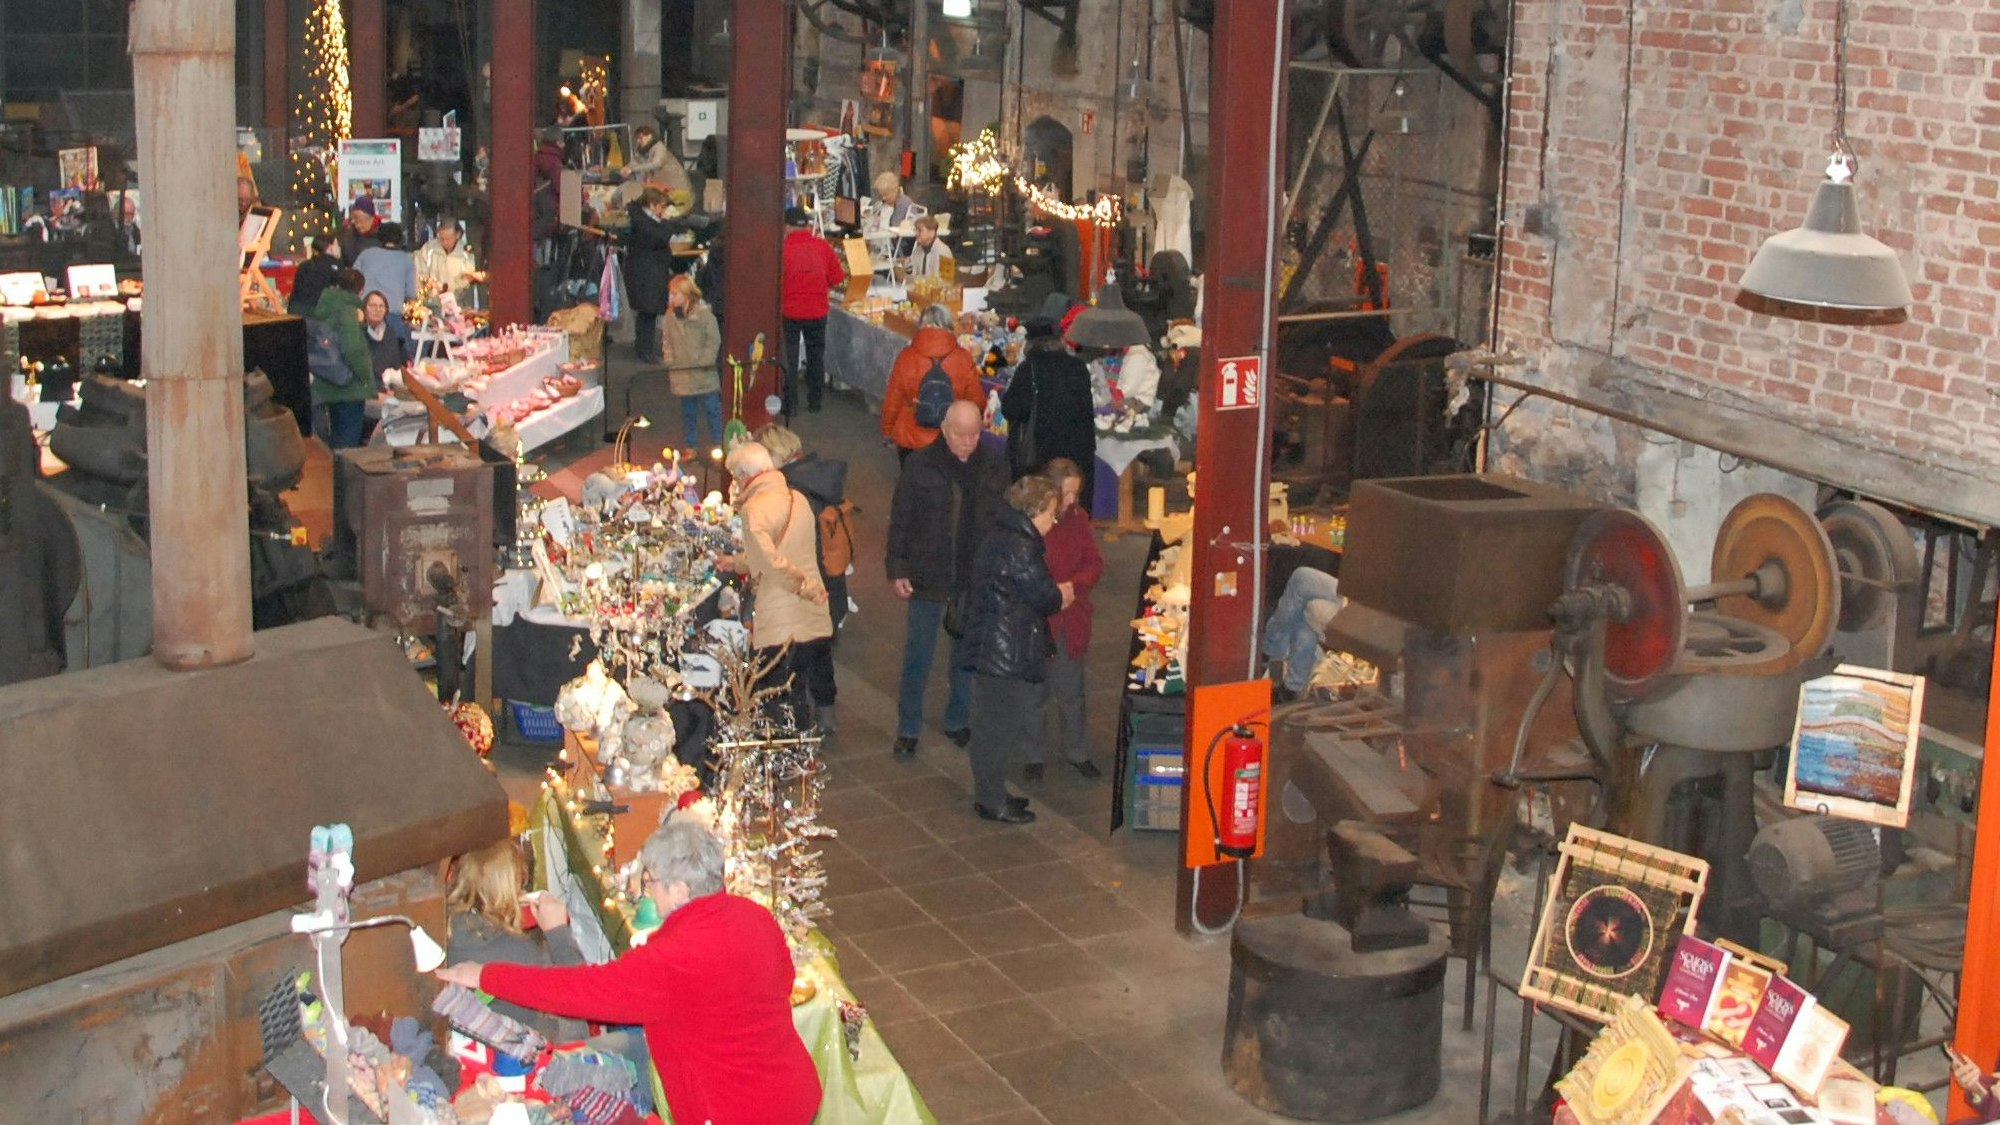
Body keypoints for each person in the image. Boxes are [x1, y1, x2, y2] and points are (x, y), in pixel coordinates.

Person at [436, 818, 821, 1125]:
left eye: (651, 882)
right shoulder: (753, 917)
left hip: (733, 1113)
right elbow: (781, 980)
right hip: (793, 1090)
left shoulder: (671, 960)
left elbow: (580, 991)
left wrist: (486, 975)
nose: (647, 891)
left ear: (682, 890)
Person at [885, 401, 1007, 758]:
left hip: (973, 574)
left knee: (965, 654)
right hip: (929, 573)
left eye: (974, 434)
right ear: (944, 428)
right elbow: (901, 519)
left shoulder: (993, 464)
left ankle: (958, 719)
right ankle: (908, 726)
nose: (968, 442)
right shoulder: (921, 465)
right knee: (919, 654)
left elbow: (1001, 515)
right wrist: (897, 567)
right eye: (960, 434)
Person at [957, 475, 1071, 823]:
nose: (1054, 520)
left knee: (993, 723)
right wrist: (1062, 593)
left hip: (993, 644)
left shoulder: (1004, 535)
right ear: (1035, 511)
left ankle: (993, 793)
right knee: (997, 729)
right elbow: (1044, 596)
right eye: (1051, 512)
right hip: (1005, 651)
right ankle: (991, 801)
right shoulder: (1021, 547)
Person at [725, 442, 834, 725]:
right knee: (801, 677)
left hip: (779, 611)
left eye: (736, 475)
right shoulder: (798, 498)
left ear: (746, 475)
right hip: (810, 605)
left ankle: (791, 748)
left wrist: (803, 587)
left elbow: (769, 563)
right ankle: (810, 736)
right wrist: (738, 562)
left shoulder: (754, 509)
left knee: (779, 689)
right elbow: (788, 551)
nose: (735, 482)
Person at [442, 838, 586, 1043]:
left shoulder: (443, 925)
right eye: (519, 885)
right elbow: (580, 996)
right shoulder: (522, 951)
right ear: (508, 891)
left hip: (471, 1039)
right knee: (575, 1024)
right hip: (518, 1048)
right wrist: (558, 932)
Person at [756, 422, 849, 728]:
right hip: (829, 586)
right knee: (819, 652)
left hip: (805, 588)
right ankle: (826, 713)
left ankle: (797, 730)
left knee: (792, 663)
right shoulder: (818, 479)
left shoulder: (790, 493)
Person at [1027, 458, 1103, 782]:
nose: (1072, 501)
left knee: (1071, 690)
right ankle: (1033, 754)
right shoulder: (1034, 520)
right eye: (1067, 493)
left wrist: (1075, 585)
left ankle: (1077, 751)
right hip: (1038, 618)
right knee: (1034, 691)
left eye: (1076, 494)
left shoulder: (1078, 518)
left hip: (1069, 618)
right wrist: (1051, 590)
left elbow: (1093, 561)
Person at [1002, 293, 1099, 510]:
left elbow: (1011, 408)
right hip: (1077, 455)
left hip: (1040, 455)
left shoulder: (1029, 369)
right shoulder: (1078, 368)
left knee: (1044, 507)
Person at [880, 303, 984, 460]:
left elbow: (893, 399)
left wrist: (888, 431)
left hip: (911, 437)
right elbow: (977, 401)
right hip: (950, 437)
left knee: (912, 481)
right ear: (949, 325)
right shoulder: (963, 358)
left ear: (922, 324)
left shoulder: (906, 356)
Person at [779, 206, 846, 416]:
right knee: (816, 356)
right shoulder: (822, 246)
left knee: (789, 358)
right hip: (817, 311)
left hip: (789, 311)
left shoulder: (782, 249)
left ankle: (790, 406)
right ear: (807, 226)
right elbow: (837, 278)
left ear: (786, 226)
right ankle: (815, 402)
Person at [309, 269, 378, 450]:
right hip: (349, 387)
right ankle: (343, 478)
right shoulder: (348, 310)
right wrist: (365, 377)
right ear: (361, 290)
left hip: (327, 379)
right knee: (346, 444)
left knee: (334, 439)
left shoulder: (324, 306)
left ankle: (333, 474)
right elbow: (352, 348)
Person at [1261, 566, 1343, 698]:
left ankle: (1269, 652)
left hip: (1363, 602)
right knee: (1305, 605)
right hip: (1362, 595)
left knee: (1302, 578)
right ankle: (1291, 688)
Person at [662, 275, 723, 451]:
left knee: (713, 410)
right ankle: (691, 446)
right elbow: (666, 338)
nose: (672, 298)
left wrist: (705, 361)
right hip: (682, 372)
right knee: (688, 412)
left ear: (686, 294)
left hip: (703, 373)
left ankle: (718, 445)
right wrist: (669, 359)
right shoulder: (670, 316)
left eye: (675, 294)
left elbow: (713, 340)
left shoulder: (704, 315)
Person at [625, 188, 679, 365]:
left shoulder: (642, 219)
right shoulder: (644, 222)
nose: (662, 210)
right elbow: (659, 236)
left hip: (649, 271)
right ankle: (645, 350)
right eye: (661, 206)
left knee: (648, 312)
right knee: (647, 311)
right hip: (647, 272)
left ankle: (645, 347)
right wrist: (668, 222)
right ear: (652, 205)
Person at [353, 222, 418, 343]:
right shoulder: (406, 260)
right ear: (400, 239)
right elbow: (411, 294)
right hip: (393, 316)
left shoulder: (366, 254)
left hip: (366, 313)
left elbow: (353, 280)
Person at [414, 220, 484, 304]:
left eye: (448, 239)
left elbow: (468, 278)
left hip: (458, 303)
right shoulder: (428, 248)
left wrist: (447, 289)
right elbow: (419, 271)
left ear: (457, 235)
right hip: (432, 302)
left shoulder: (466, 252)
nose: (444, 242)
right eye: (441, 238)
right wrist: (429, 284)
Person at [620, 124, 691, 204]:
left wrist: (632, 169)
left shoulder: (659, 147)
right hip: (660, 186)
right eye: (637, 139)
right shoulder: (642, 150)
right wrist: (626, 168)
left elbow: (656, 164)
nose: (638, 141)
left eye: (640, 138)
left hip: (674, 186)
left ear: (649, 136)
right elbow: (635, 161)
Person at [288, 236, 343, 319]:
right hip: (317, 313)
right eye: (337, 245)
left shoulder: (303, 265)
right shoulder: (334, 265)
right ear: (330, 248)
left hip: (295, 310)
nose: (339, 248)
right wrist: (339, 260)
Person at [361, 291, 407, 378]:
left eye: (381, 306)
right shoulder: (359, 332)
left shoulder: (390, 334)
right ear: (364, 309)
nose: (377, 310)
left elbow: (395, 365)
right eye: (373, 305)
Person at [903, 214, 954, 279]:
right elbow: (910, 282)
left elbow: (947, 281)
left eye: (920, 230)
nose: (916, 233)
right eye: (915, 230)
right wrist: (908, 269)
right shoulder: (916, 251)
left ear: (932, 232)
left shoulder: (945, 252)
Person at [337, 196, 382, 264]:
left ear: (372, 217)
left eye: (361, 220)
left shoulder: (384, 235)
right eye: (355, 220)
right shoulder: (348, 236)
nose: (357, 225)